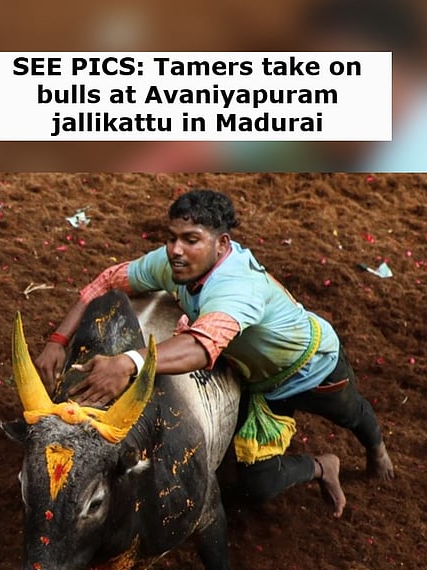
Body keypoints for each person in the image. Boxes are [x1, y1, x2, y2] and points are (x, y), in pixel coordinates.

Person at [36, 189, 393, 519]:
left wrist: (129, 363)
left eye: (191, 240)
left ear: (221, 243)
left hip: (312, 368)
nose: (176, 249)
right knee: (257, 485)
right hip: (258, 383)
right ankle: (322, 466)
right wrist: (57, 339)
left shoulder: (238, 286)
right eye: (172, 237)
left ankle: (376, 450)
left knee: (351, 413)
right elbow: (108, 281)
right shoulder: (172, 263)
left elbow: (200, 345)